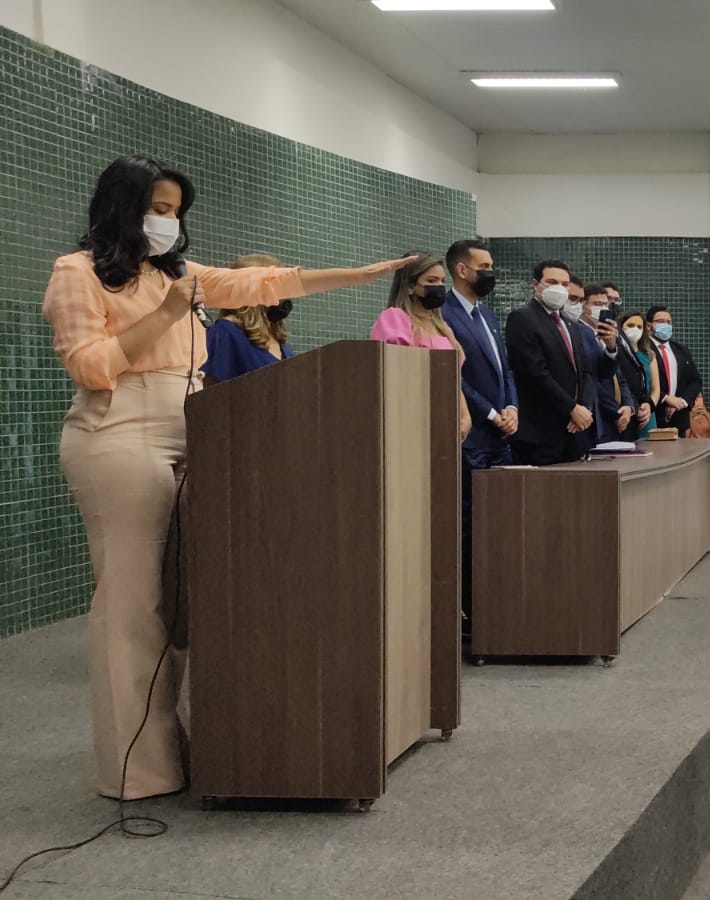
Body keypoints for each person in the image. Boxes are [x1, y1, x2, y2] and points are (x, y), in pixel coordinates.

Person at [42, 155, 411, 800]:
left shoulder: (177, 273)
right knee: (133, 602)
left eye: (175, 211)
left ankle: (177, 743)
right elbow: (90, 367)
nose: (168, 221)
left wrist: (356, 276)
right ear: (122, 208)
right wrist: (165, 314)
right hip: (118, 432)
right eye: (158, 208)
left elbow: (262, 283)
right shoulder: (77, 273)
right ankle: (135, 769)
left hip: (195, 426)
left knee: (189, 600)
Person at [438, 237, 516, 636]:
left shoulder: (486, 314)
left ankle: (495, 604)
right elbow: (454, 375)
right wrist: (489, 412)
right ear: (461, 269)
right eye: (484, 267)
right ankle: (469, 611)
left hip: (501, 436)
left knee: (498, 524)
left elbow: (505, 369)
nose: (491, 273)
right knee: (469, 525)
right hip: (472, 436)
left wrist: (512, 407)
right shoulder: (444, 313)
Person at [370, 252, 472, 441]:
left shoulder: (443, 327)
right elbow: (396, 374)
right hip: (411, 421)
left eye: (442, 281)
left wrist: (465, 416)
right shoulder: (395, 319)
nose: (439, 287)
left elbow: (452, 379)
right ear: (410, 286)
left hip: (445, 421)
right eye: (431, 281)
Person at [504, 260, 595, 466]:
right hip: (540, 432)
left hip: (574, 430)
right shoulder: (522, 318)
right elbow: (534, 373)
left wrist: (583, 408)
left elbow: (585, 372)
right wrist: (571, 407)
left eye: (565, 284)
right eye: (552, 282)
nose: (559, 289)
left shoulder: (570, 324)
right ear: (535, 284)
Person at [201, 253, 295, 384]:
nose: (286, 295)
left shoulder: (276, 337)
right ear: (252, 291)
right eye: (279, 287)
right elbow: (208, 390)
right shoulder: (224, 333)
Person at [578, 284, 634, 444]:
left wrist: (628, 406)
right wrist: (615, 412)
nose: (603, 308)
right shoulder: (579, 334)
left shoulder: (609, 335)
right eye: (597, 304)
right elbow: (592, 379)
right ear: (583, 306)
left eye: (605, 305)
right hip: (598, 415)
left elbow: (619, 377)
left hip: (620, 417)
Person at [648, 306, 704, 436]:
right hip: (654, 417)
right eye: (660, 321)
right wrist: (666, 399)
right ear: (648, 325)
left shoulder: (681, 349)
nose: (666, 325)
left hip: (679, 420)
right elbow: (642, 382)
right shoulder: (644, 350)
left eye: (669, 322)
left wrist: (682, 402)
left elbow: (695, 381)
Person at [617, 311, 660, 433]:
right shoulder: (616, 352)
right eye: (630, 325)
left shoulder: (649, 355)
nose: (635, 329)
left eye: (639, 327)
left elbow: (655, 388)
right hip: (624, 411)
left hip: (646, 414)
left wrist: (649, 406)